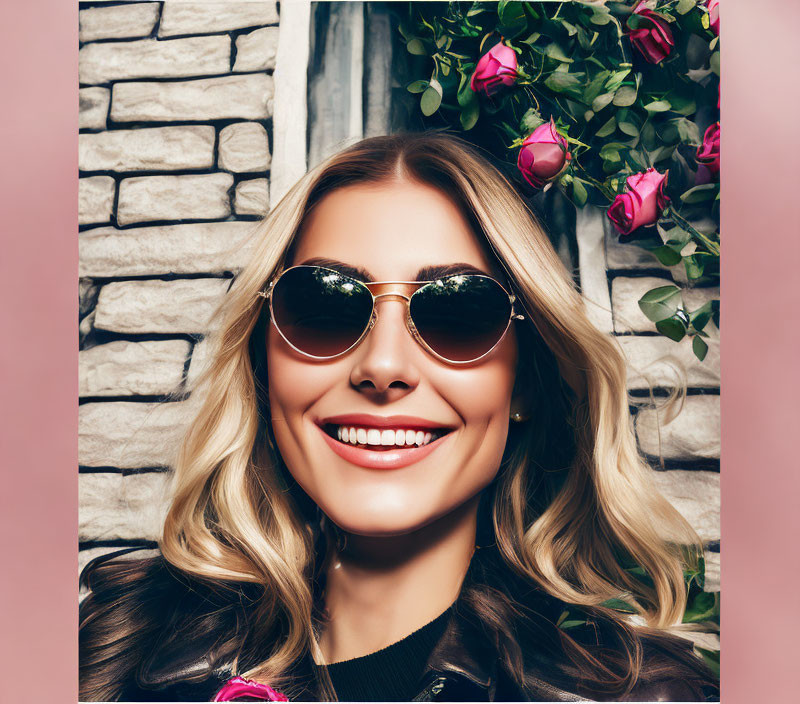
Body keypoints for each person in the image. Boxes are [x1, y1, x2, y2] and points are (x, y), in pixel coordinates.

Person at [79, 133, 718, 702]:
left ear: (524, 380)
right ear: (263, 363)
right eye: (324, 308)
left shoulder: (646, 694)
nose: (382, 366)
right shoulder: (116, 645)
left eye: (458, 314)